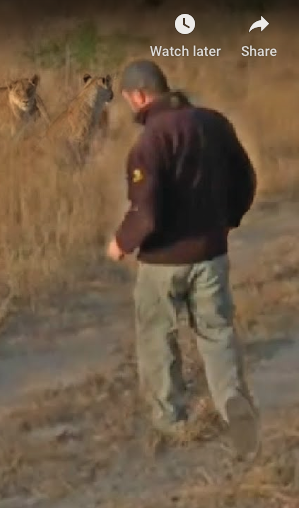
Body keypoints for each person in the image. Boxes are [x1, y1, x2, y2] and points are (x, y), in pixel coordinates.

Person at [105, 59, 259, 459]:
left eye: (128, 100)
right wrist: (228, 221)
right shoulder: (214, 123)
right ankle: (231, 404)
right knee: (217, 332)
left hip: (163, 263)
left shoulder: (150, 142)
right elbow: (245, 179)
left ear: (139, 95)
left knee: (159, 338)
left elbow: (146, 211)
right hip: (212, 253)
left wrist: (122, 243)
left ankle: (170, 422)